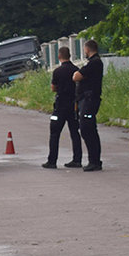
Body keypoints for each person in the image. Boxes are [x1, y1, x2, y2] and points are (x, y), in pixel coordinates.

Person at [42, 46, 82, 169]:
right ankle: (77, 160)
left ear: (59, 57)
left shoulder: (57, 71)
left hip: (60, 106)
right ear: (70, 56)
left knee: (54, 133)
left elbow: (53, 88)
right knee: (75, 133)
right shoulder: (76, 70)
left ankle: (52, 161)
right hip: (73, 105)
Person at [73, 40, 103, 171]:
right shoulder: (95, 62)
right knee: (90, 129)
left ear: (87, 49)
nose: (84, 52)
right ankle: (95, 160)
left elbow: (76, 76)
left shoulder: (94, 63)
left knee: (86, 129)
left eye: (84, 50)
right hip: (88, 100)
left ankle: (94, 161)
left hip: (89, 100)